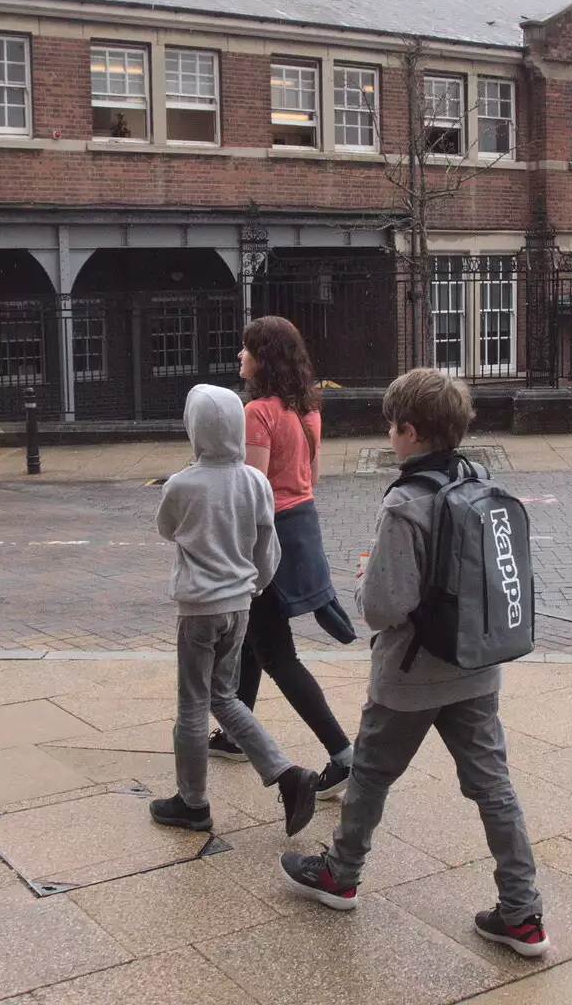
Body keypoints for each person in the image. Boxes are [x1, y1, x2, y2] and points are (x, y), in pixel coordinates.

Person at [279, 368, 550, 958]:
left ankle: (340, 875)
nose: (390, 438)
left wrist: (362, 583)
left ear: (408, 431)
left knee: (371, 775)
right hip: (477, 665)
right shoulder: (479, 481)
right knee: (493, 786)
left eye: (392, 428)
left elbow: (383, 607)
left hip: (410, 676)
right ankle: (523, 912)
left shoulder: (406, 503)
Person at [151, 382, 319, 837]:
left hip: (199, 608)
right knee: (224, 698)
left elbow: (166, 529)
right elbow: (269, 547)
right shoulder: (254, 480)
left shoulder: (183, 485)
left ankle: (193, 802)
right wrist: (254, 586)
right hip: (240, 606)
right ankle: (287, 774)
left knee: (192, 704)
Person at [209, 316, 355, 800]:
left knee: (278, 655)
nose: (239, 356)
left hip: (266, 539)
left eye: (247, 349)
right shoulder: (308, 408)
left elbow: (252, 490)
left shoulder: (258, 413)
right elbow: (308, 476)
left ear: (263, 357)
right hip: (300, 529)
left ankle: (344, 755)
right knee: (256, 635)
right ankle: (235, 733)